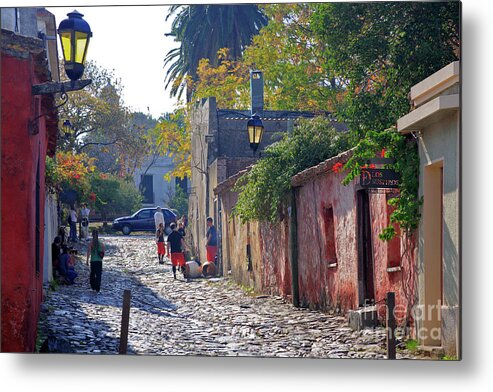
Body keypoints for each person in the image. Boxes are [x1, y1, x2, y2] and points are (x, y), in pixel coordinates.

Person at [86, 229, 105, 293]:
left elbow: (88, 252)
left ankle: (93, 286)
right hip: (99, 261)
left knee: (92, 274)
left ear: (92, 235)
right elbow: (103, 252)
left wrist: (87, 260)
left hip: (93, 261)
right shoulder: (101, 243)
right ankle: (97, 288)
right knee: (98, 274)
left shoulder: (91, 243)